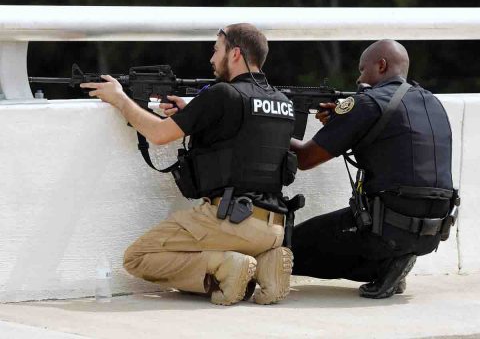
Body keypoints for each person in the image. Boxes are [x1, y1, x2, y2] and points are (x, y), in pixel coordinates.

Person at [80, 23, 296, 306]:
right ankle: (266, 261)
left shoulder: (222, 94)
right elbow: (242, 140)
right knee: (247, 240)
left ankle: (225, 266)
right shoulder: (283, 103)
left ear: (235, 54)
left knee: (137, 257)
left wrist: (120, 99)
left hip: (229, 220)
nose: (211, 58)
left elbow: (158, 134)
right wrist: (192, 115)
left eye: (216, 49)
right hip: (273, 228)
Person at [290, 39, 456, 299]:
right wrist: (343, 123)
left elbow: (305, 158)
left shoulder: (367, 103)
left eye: (361, 69)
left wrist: (273, 124)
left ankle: (385, 263)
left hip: (384, 229)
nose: (358, 78)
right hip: (431, 231)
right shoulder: (432, 102)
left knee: (287, 248)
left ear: (381, 65)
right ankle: (392, 262)